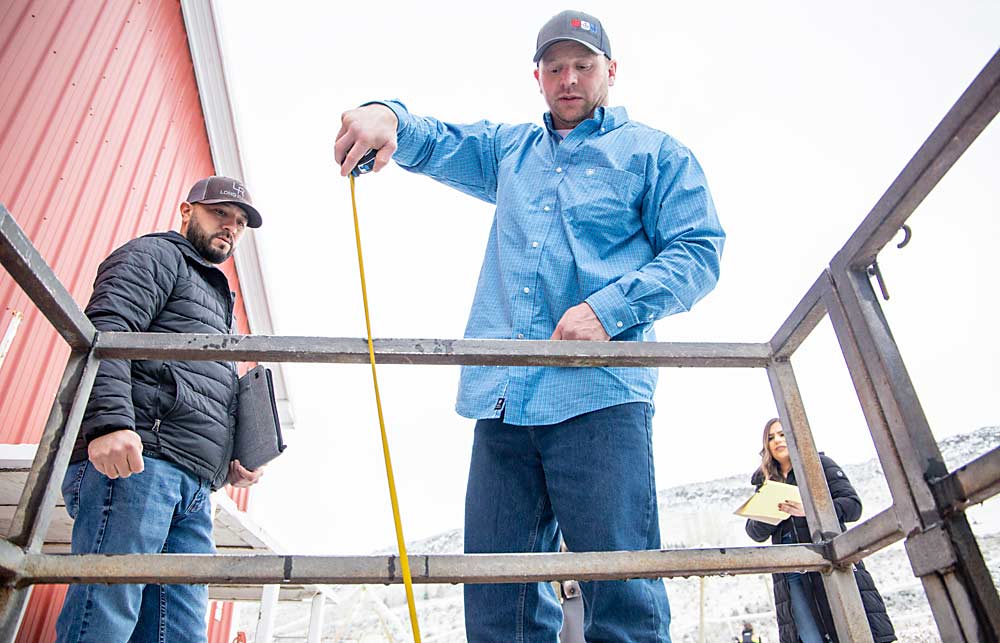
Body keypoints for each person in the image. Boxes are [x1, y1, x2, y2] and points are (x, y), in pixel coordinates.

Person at [335, 9, 724, 641]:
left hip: (599, 399)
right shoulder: (510, 151)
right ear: (537, 76)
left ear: (612, 71)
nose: (569, 77)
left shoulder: (657, 154)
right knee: (496, 598)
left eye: (583, 64)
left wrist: (610, 308)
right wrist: (388, 115)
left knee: (619, 591)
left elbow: (699, 250)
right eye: (555, 66)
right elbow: (432, 139)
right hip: (504, 401)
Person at [55, 176, 267, 643]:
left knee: (180, 633)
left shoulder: (218, 298)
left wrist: (232, 458)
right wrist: (110, 422)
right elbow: (108, 330)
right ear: (186, 211)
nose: (230, 228)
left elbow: (207, 391)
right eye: (219, 215)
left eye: (238, 223)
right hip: (139, 464)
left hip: (194, 486)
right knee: (105, 616)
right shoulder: (154, 255)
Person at [745, 418, 896, 643]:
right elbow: (754, 532)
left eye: (782, 434)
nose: (777, 440)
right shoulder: (766, 481)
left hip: (829, 557)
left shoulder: (819, 464)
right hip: (790, 573)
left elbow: (852, 505)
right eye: (771, 437)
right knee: (810, 636)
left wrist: (810, 511)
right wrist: (774, 512)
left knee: (850, 628)